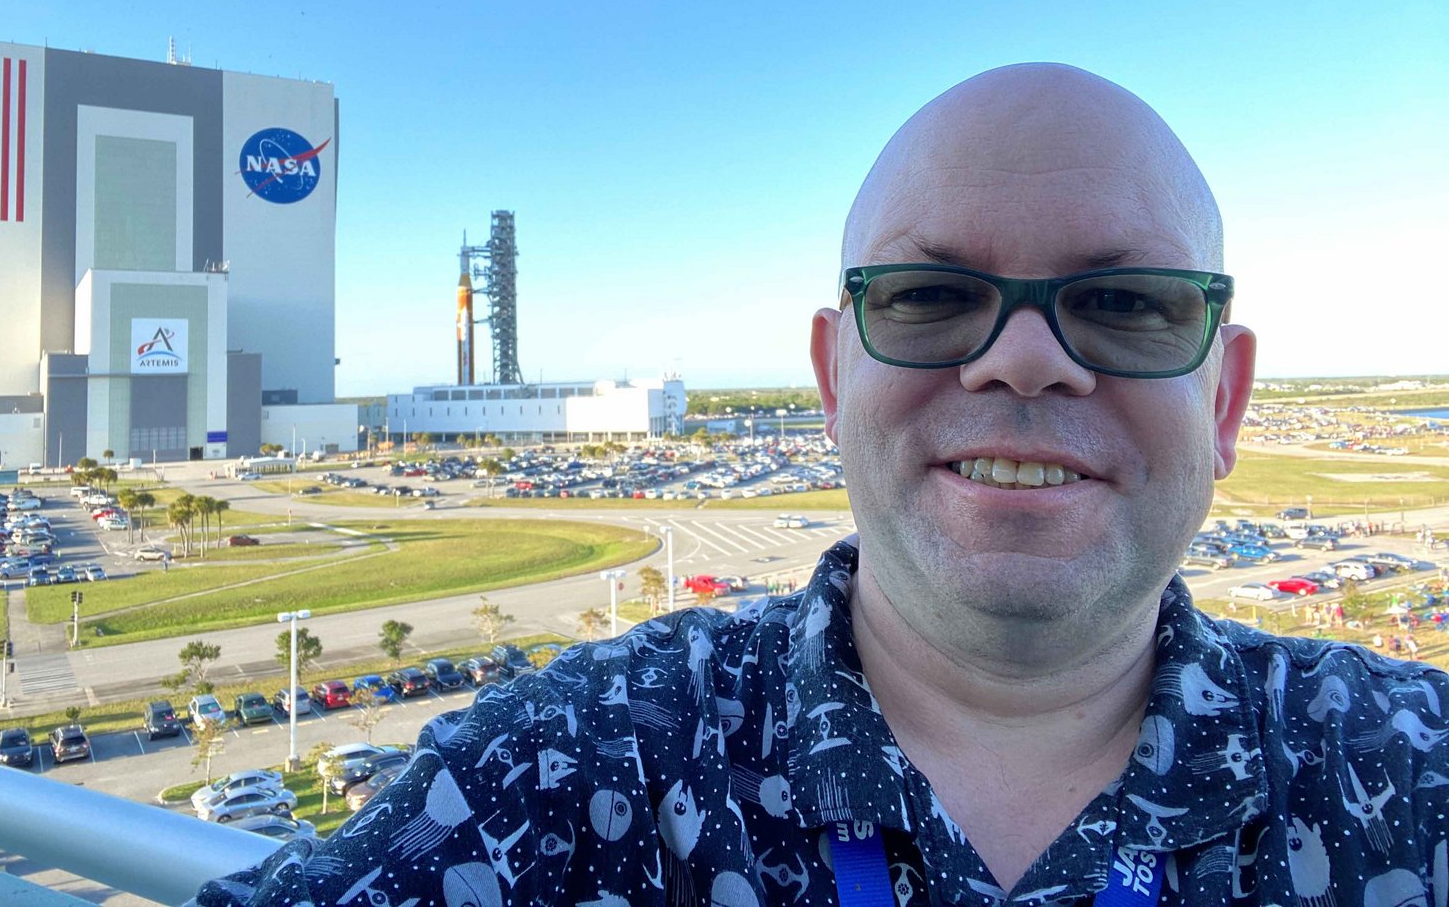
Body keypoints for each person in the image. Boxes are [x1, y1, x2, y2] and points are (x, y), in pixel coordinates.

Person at [195, 65, 1447, 907]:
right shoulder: (573, 767)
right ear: (830, 378)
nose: (1020, 357)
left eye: (1122, 304)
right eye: (926, 296)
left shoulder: (1405, 779)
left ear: (1222, 402)